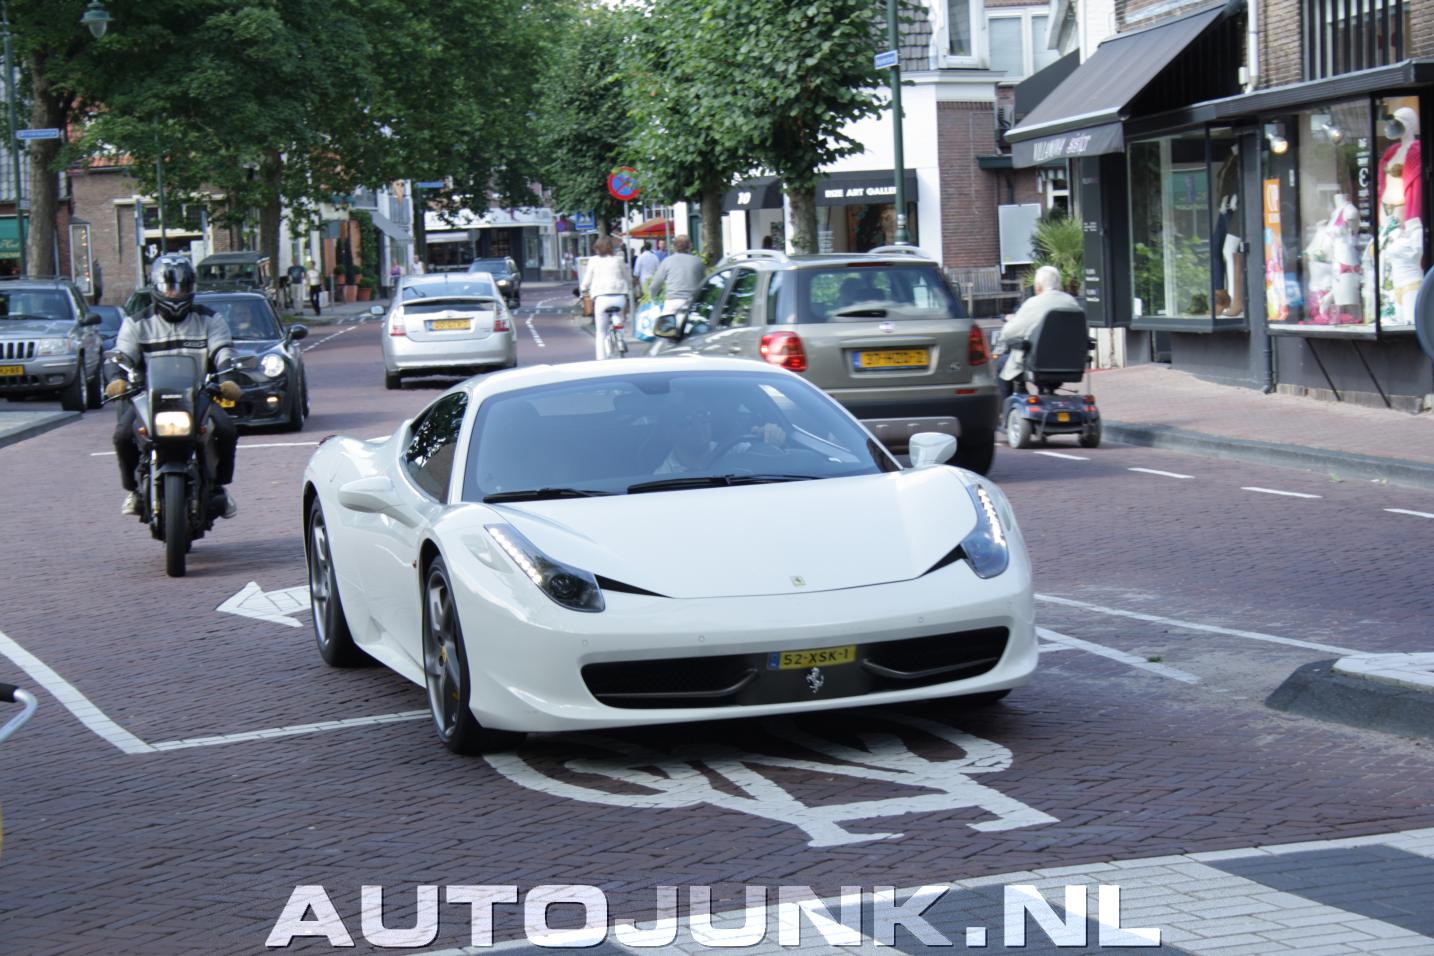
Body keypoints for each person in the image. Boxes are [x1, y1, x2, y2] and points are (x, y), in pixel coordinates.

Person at [105, 255, 242, 518]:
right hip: (149, 397)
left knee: (226, 430)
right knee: (122, 435)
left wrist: (228, 378)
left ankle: (218, 487)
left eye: (181, 287)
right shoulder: (136, 323)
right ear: (156, 287)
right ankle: (134, 491)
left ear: (191, 288)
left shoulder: (209, 319)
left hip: (197, 395)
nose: (175, 293)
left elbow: (223, 350)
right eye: (169, 287)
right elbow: (121, 356)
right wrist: (116, 379)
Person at [993, 265, 1081, 401]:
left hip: (1037, 364)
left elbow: (1007, 334)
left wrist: (1013, 320)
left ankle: (1008, 405)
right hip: (1070, 365)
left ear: (1038, 287)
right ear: (1059, 284)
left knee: (1001, 363)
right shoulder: (1072, 302)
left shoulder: (1033, 303)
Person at [579, 236, 632, 360]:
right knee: (619, 318)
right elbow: (627, 278)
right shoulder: (619, 260)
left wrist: (583, 289)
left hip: (601, 298)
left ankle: (601, 359)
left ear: (597, 248)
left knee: (601, 331)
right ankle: (620, 336)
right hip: (619, 297)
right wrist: (630, 287)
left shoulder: (593, 261)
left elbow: (586, 281)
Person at [646, 235, 706, 316]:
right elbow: (704, 284)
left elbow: (655, 285)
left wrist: (653, 297)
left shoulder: (667, 261)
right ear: (690, 246)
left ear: (674, 247)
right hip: (692, 303)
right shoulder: (698, 262)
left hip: (672, 303)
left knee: (666, 322)